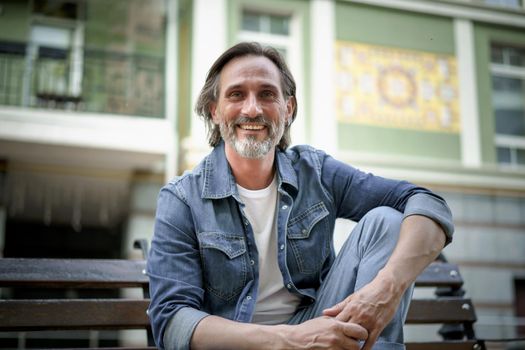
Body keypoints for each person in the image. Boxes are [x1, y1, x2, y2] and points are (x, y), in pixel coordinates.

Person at [147, 42, 454, 350]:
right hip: (240, 343)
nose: (252, 109)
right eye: (236, 94)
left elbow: (426, 203)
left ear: (288, 108)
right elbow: (172, 322)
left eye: (267, 94)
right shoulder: (182, 198)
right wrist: (290, 339)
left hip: (318, 330)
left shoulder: (316, 172)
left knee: (387, 221)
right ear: (214, 110)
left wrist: (386, 290)